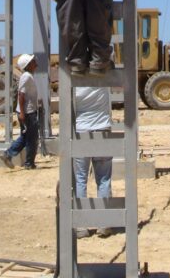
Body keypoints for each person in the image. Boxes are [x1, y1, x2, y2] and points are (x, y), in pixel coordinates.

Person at [74, 86, 114, 239]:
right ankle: (103, 224)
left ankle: (81, 226)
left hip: (81, 131)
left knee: (80, 180)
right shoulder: (101, 80)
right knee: (103, 179)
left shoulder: (75, 85)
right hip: (102, 129)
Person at [1, 53, 39, 169]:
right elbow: (21, 95)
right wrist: (22, 113)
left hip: (28, 111)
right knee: (32, 139)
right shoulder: (26, 76)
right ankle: (29, 163)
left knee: (26, 136)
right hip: (27, 113)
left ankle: (8, 155)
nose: (35, 63)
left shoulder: (28, 76)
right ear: (28, 65)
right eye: (33, 61)